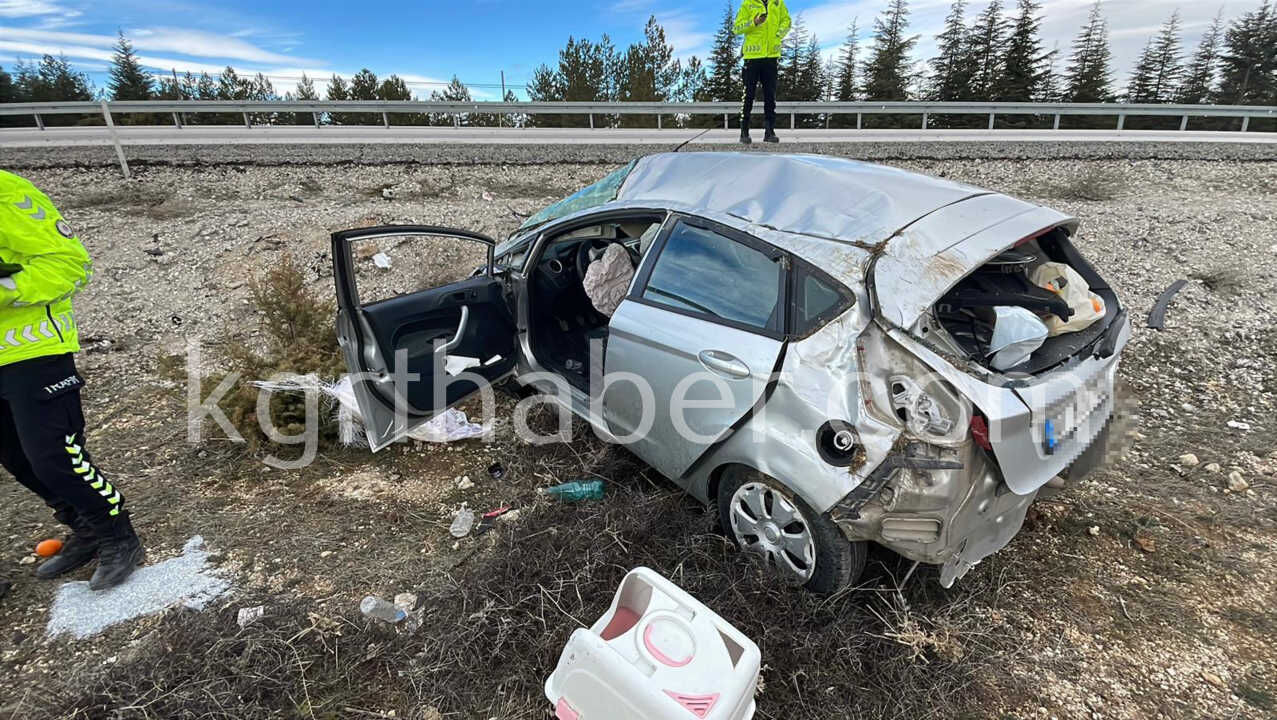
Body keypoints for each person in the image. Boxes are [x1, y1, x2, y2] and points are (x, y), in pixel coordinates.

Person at [0, 169, 144, 591]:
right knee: (16, 458)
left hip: (31, 348)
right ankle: (84, 527)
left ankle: (117, 533)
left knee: (53, 455)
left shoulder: (8, 192)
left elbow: (70, 265)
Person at [734, 0, 791, 144]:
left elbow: (787, 21)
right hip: (752, 58)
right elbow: (736, 28)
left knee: (770, 96)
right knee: (748, 95)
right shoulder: (747, 4)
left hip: (771, 57)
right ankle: (744, 131)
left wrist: (778, 35)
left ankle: (769, 131)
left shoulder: (778, 3)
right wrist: (754, 22)